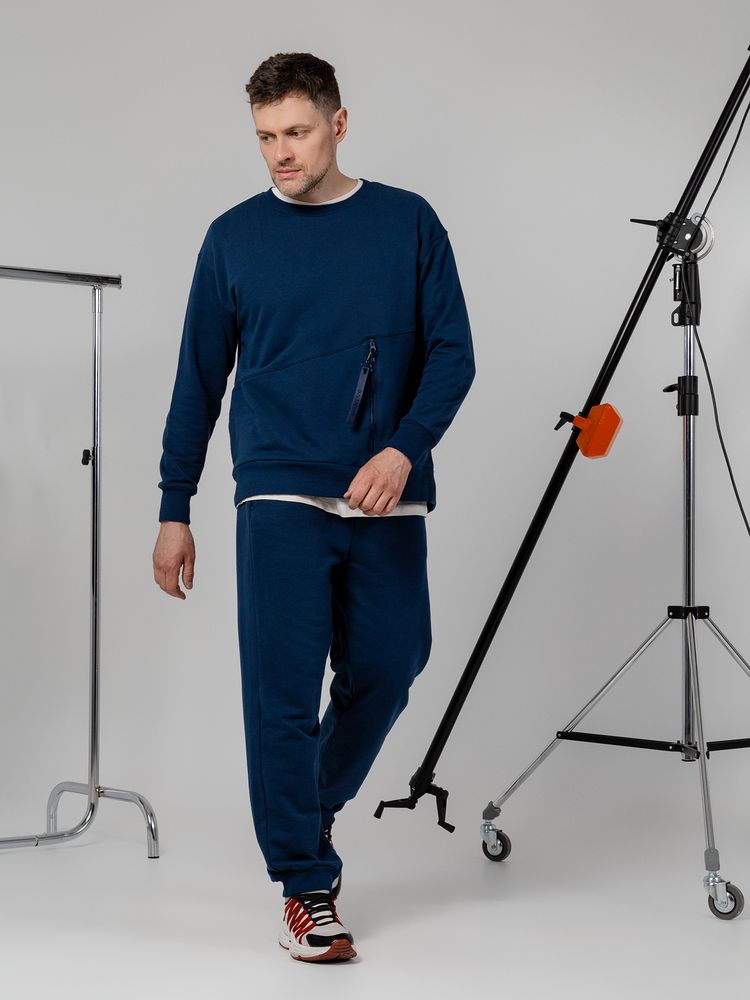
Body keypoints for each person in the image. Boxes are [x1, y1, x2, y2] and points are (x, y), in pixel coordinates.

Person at [152, 50, 476, 963]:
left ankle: (311, 802)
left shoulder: (407, 222)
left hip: (384, 491)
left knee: (392, 664)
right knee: (281, 693)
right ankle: (305, 883)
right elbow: (198, 380)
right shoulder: (233, 238)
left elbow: (453, 354)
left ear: (339, 122)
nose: (281, 153)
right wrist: (174, 506)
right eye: (265, 137)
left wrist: (403, 449)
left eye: (296, 132)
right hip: (279, 488)